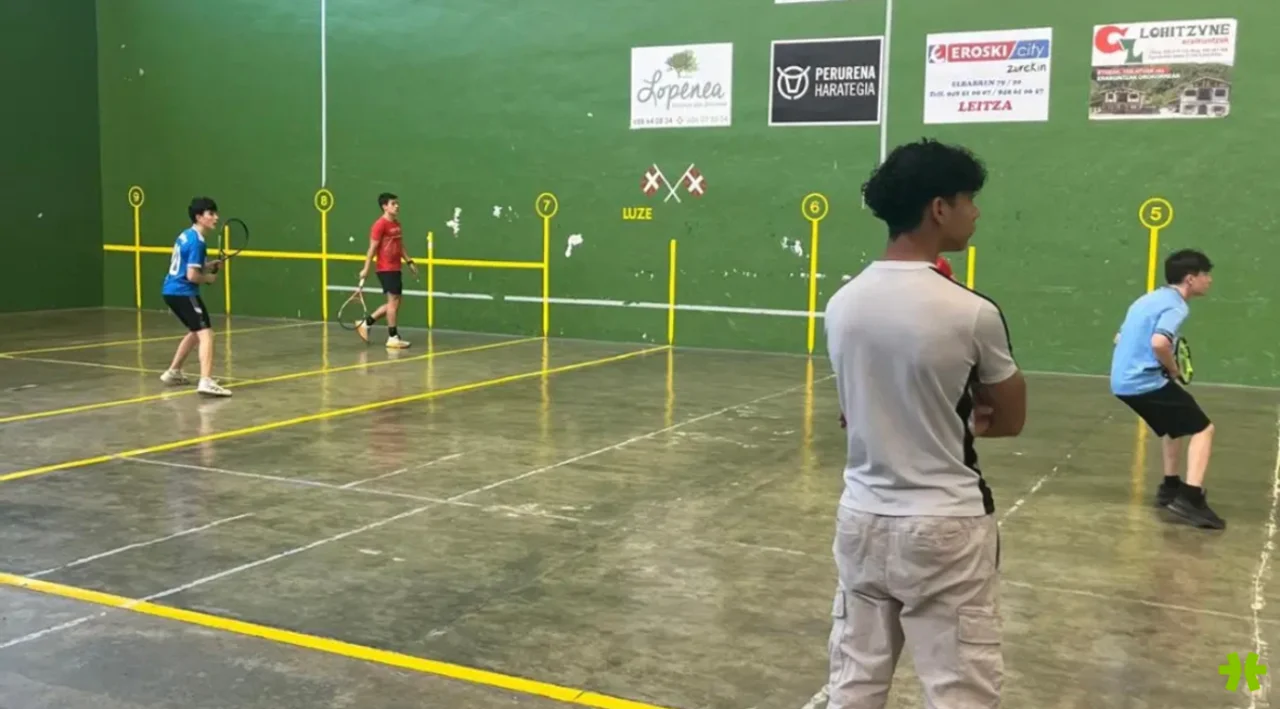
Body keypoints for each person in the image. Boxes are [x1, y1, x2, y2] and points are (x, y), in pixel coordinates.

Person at [822, 138, 1026, 708]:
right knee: (960, 691)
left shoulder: (841, 303)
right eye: (968, 200)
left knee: (854, 683)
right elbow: (1011, 418)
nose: (976, 213)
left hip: (860, 519)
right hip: (945, 527)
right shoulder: (973, 311)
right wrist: (955, 417)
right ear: (939, 208)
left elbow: (853, 411)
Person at [1111, 249, 1221, 529]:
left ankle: (1170, 487)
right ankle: (1191, 499)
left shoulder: (1148, 299)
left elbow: (1119, 337)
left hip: (1122, 382)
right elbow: (1160, 342)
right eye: (1205, 274)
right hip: (1143, 382)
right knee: (1203, 429)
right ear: (1190, 279)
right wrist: (1172, 369)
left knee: (1175, 427)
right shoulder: (1176, 306)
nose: (1209, 280)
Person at [159, 197, 232, 397]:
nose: (216, 218)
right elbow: (192, 276)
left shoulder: (186, 235)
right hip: (183, 292)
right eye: (211, 214)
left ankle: (173, 372)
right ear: (199, 217)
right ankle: (206, 381)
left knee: (195, 332)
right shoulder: (197, 242)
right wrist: (208, 278)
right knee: (206, 334)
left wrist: (208, 265)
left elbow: (187, 265)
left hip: (170, 291)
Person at [355, 192, 417, 349]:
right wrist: (365, 269)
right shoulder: (379, 225)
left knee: (394, 303)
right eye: (393, 204)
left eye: (397, 203)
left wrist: (409, 261)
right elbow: (372, 249)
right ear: (384, 206)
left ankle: (366, 323)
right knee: (393, 302)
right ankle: (392, 337)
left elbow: (400, 246)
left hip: (396, 268)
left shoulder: (396, 224)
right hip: (386, 268)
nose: (397, 206)